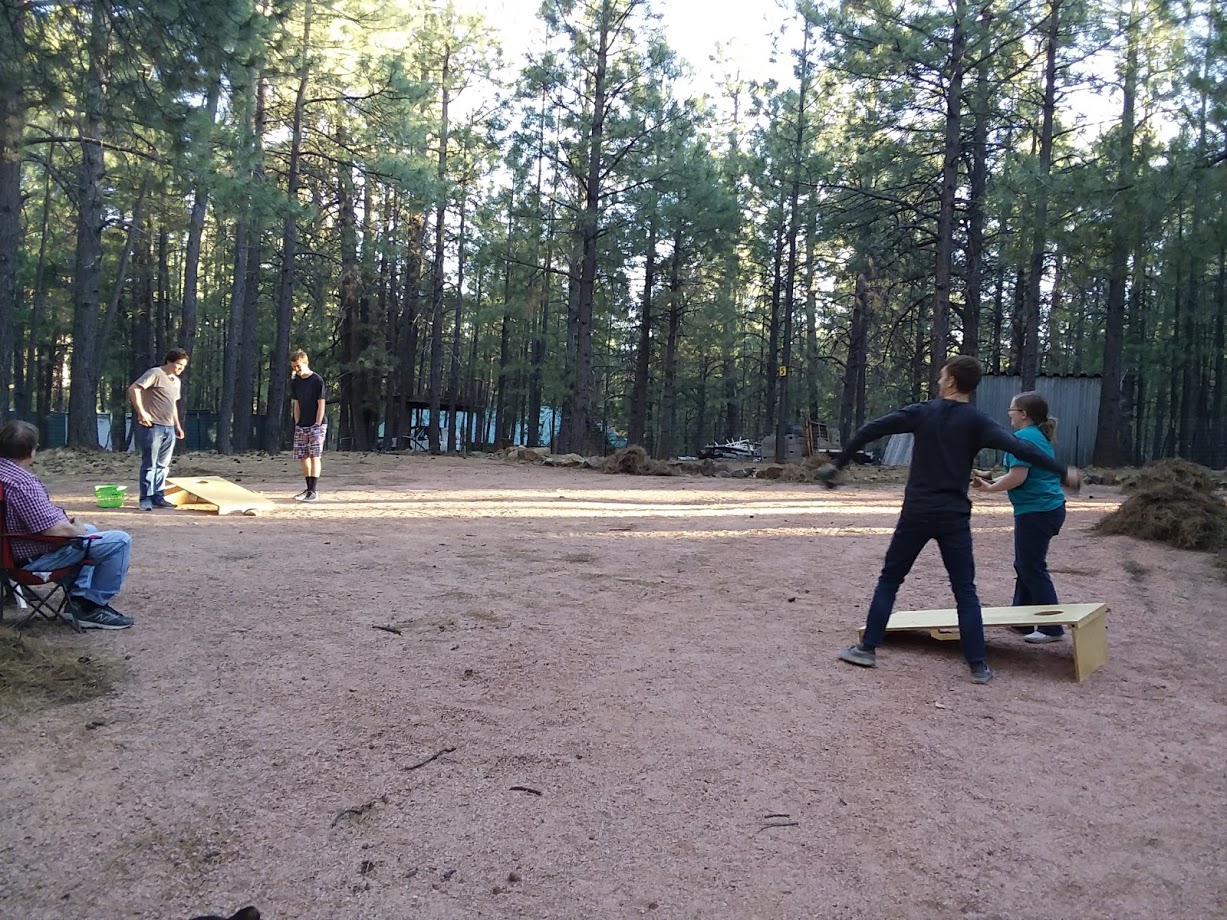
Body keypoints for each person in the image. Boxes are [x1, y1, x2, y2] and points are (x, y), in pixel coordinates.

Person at [819, 355, 1081, 684]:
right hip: (953, 516)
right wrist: (1063, 472)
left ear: (952, 381)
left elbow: (870, 430)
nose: (939, 379)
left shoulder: (922, 412)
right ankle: (978, 666)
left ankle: (867, 649)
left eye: (943, 375)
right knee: (964, 590)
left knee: (890, 579)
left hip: (916, 512)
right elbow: (1024, 449)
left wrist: (838, 464)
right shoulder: (978, 422)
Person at [0, 420, 134, 629]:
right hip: (31, 561)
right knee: (120, 540)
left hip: (9, 552)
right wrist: (75, 528)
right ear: (31, 451)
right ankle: (91, 606)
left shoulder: (4, 475)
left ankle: (77, 599)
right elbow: (55, 531)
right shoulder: (21, 483)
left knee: (91, 531)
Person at [972, 391, 1067, 643]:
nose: (1009, 414)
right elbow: (1020, 472)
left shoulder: (1023, 437)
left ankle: (1052, 627)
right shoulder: (1037, 435)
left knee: (1031, 566)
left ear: (1023, 414)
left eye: (1011, 410)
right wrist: (992, 481)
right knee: (1026, 563)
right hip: (1047, 508)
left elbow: (1018, 478)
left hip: (1037, 510)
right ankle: (1021, 619)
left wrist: (990, 488)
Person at [128, 348, 189, 511]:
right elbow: (134, 388)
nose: (180, 369)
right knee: (150, 464)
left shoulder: (176, 381)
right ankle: (145, 498)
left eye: (183, 366)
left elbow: (173, 404)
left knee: (163, 465)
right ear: (169, 361)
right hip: (153, 426)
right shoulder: (155, 373)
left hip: (169, 428)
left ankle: (158, 496)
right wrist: (142, 413)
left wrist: (177, 425)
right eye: (178, 365)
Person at [289, 349, 326, 502]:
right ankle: (308, 488)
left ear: (305, 363)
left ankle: (314, 491)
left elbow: (321, 404)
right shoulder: (295, 382)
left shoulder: (317, 380)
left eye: (298, 366)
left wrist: (317, 424)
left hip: (316, 424)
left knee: (314, 456)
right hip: (302, 424)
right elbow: (296, 404)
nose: (296, 370)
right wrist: (297, 423)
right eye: (293, 367)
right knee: (303, 457)